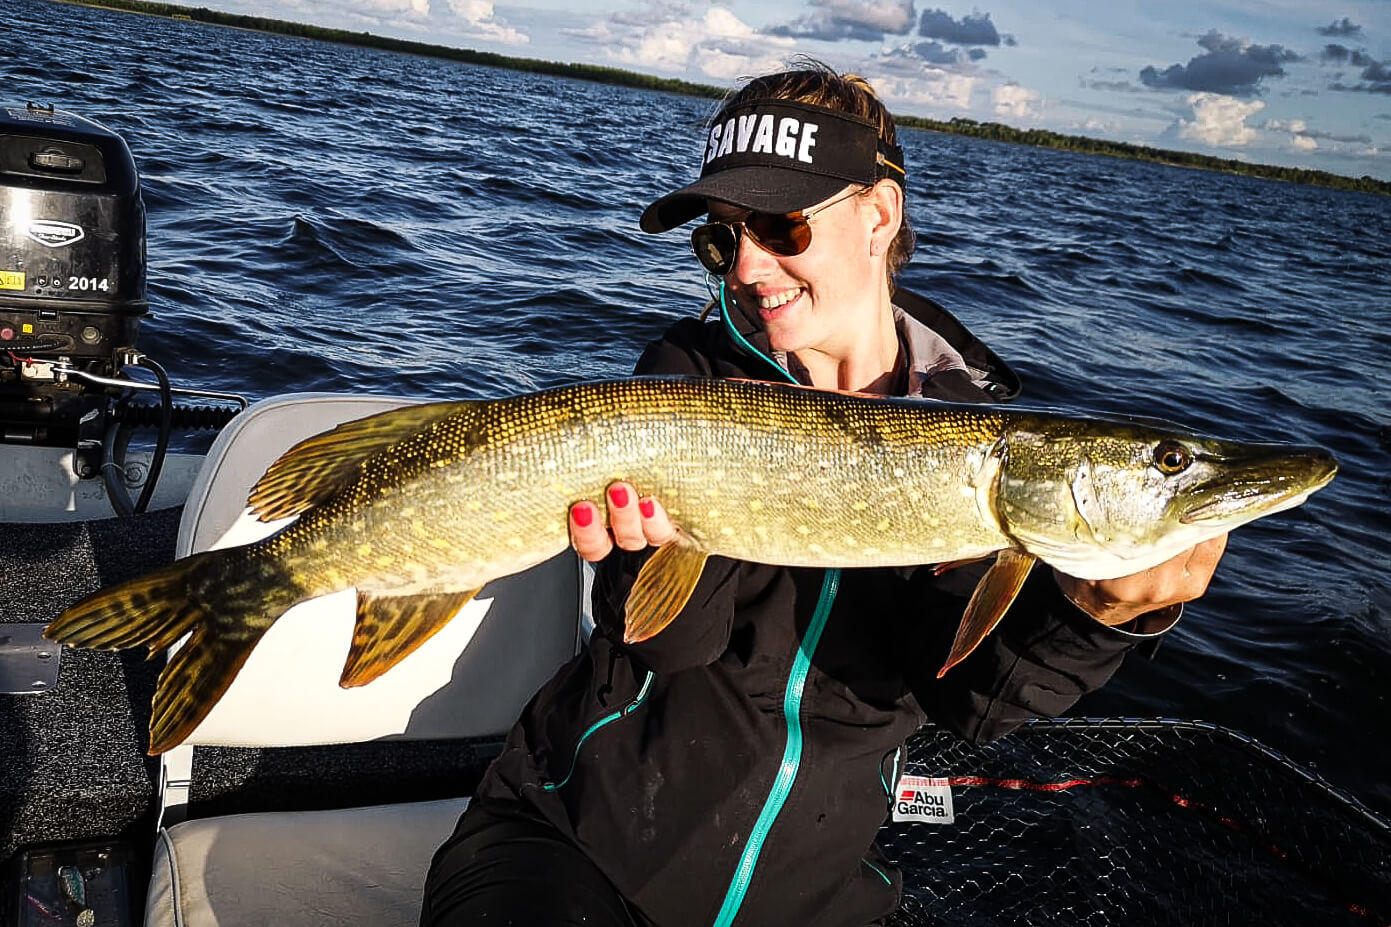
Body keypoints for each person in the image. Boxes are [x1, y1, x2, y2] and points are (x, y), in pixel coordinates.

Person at [421, 59, 1228, 927]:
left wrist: (1093, 619)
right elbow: (671, 647)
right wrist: (649, 551)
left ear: (879, 214)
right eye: (721, 238)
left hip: (814, 899)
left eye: (780, 226)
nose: (745, 266)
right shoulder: (688, 377)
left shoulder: (972, 433)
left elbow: (976, 704)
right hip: (566, 844)